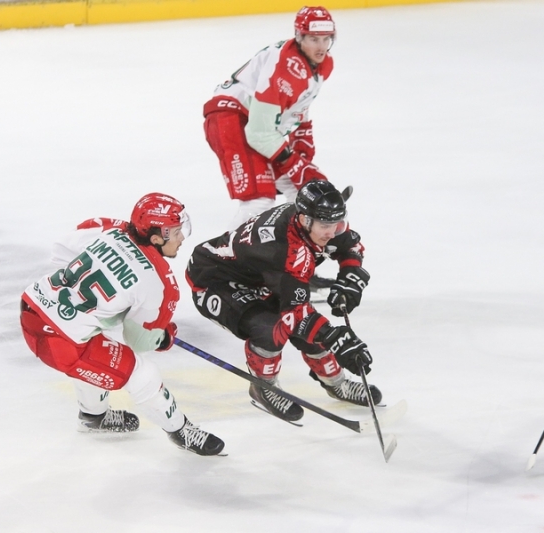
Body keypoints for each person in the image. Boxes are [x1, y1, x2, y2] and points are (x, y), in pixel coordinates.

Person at [19, 193, 224, 455]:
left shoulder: (109, 227)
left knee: (95, 348)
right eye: (175, 231)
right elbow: (138, 342)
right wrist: (162, 336)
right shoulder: (160, 284)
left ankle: (93, 417)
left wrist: (81, 303)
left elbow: (62, 248)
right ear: (155, 237)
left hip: (32, 305)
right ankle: (181, 430)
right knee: (142, 374)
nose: (182, 237)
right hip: (60, 344)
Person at [185, 180, 380, 422]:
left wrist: (349, 278)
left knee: (314, 328)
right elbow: (295, 316)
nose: (332, 232)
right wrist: (334, 337)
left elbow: (350, 245)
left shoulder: (314, 222)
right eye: (326, 226)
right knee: (273, 329)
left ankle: (336, 383)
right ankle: (263, 387)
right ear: (305, 220)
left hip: (262, 277)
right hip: (215, 280)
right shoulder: (282, 249)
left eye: (336, 224)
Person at [202, 6, 336, 231]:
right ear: (299, 36)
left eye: (326, 39)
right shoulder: (285, 69)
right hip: (231, 118)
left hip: (255, 122)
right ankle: (225, 261)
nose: (321, 47)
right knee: (258, 200)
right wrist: (293, 162)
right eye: (314, 39)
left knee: (300, 190)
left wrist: (302, 148)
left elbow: (298, 105)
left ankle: (295, 248)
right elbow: (258, 134)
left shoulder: (322, 64)